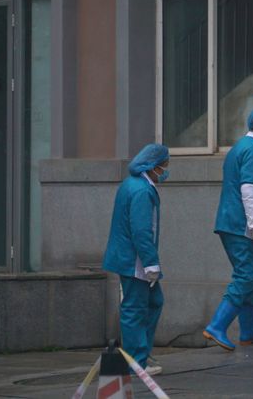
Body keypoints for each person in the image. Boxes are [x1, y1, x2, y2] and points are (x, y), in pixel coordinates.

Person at [203, 104, 253, 351]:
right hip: (241, 224)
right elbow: (249, 188)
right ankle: (217, 325)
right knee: (247, 275)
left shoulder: (242, 147)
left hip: (233, 222)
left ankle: (248, 331)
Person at [102, 143, 170, 376]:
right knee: (135, 307)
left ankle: (141, 352)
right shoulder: (141, 190)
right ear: (154, 166)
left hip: (131, 257)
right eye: (165, 165)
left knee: (153, 302)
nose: (166, 170)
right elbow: (141, 230)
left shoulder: (135, 185)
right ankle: (136, 362)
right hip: (135, 261)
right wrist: (151, 263)